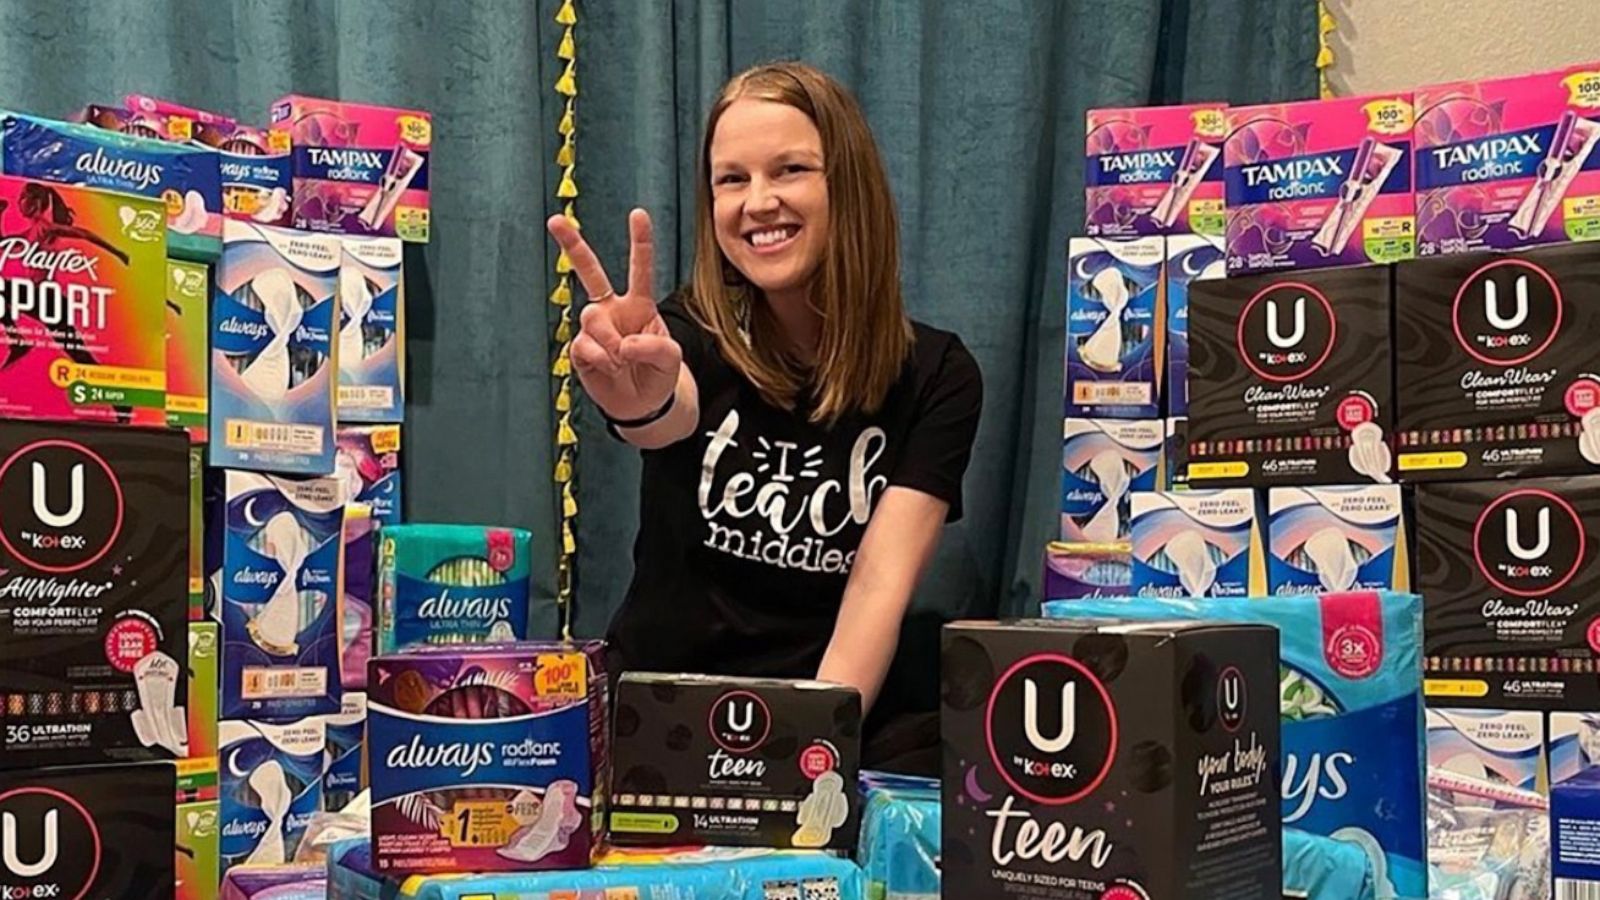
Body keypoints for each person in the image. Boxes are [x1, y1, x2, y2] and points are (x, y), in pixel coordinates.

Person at [546, 61, 981, 771]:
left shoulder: (937, 376)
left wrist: (803, 753)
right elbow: (666, 411)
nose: (758, 202)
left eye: (790, 170)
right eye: (732, 179)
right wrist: (638, 399)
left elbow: (878, 585)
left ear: (849, 184)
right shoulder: (680, 334)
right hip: (662, 721)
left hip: (827, 716)